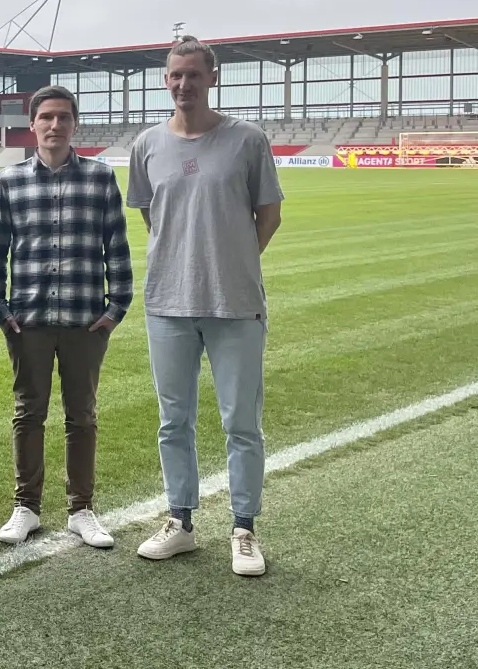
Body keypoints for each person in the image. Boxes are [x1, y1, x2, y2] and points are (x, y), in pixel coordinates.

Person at [127, 36, 283, 577]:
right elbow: (153, 218)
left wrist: (229, 262)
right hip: (167, 304)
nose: (183, 84)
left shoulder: (246, 140)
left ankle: (244, 528)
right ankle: (181, 523)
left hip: (235, 304)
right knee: (175, 421)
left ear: (211, 77)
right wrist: (187, 263)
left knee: (241, 422)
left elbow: (269, 215)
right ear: (165, 80)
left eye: (193, 74)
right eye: (175, 75)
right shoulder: (147, 145)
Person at [0, 85, 132, 550]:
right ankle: (26, 506)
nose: (54, 125)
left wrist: (116, 308)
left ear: (74, 124)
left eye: (63, 117)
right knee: (28, 414)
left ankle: (81, 508)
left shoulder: (101, 179)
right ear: (32, 125)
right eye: (46, 117)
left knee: (82, 416)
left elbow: (117, 247)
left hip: (84, 321)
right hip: (26, 321)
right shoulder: (10, 180)